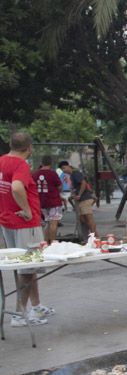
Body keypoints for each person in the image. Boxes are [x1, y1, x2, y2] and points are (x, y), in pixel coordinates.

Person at [0, 132, 51, 326]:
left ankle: (36, 307)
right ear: (28, 148)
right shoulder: (20, 164)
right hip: (25, 225)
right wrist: (27, 210)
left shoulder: (2, 161)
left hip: (8, 222)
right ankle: (19, 314)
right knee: (27, 269)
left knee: (29, 266)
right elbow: (16, 187)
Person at [33, 156, 63, 243]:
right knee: (53, 223)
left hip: (41, 202)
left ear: (41, 163)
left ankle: (45, 243)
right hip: (54, 202)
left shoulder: (35, 174)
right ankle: (53, 244)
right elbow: (60, 187)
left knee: (47, 224)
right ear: (51, 163)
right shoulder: (52, 173)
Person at [69, 162, 96, 236]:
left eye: (64, 168)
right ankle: (93, 234)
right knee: (82, 219)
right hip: (81, 199)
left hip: (85, 198)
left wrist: (79, 194)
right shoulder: (72, 176)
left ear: (69, 167)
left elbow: (84, 183)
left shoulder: (76, 173)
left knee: (89, 218)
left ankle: (95, 236)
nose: (63, 170)